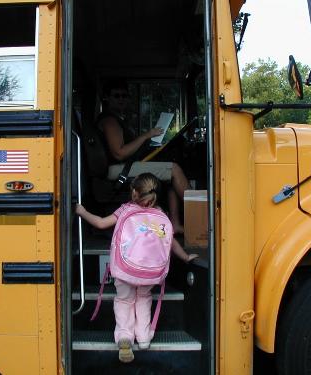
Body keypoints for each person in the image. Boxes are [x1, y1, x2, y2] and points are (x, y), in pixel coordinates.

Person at [75, 173, 198, 363]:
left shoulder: (124, 210)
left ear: (134, 192)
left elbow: (100, 223)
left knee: (124, 300)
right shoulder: (161, 214)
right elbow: (171, 242)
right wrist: (185, 256)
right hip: (151, 273)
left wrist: (82, 211)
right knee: (143, 299)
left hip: (125, 271)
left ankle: (124, 336)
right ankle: (143, 338)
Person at [96, 78, 190, 234]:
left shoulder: (120, 119)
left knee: (170, 171)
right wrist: (146, 135)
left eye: (125, 96)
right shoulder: (110, 120)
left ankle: (176, 223)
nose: (121, 99)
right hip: (119, 169)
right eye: (116, 96)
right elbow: (119, 153)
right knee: (174, 169)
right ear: (107, 98)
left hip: (126, 165)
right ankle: (201, 216)